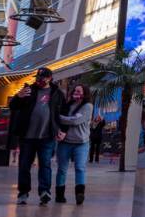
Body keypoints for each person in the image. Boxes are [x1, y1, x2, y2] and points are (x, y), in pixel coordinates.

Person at [9, 67, 63, 205]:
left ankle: (45, 192)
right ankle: (23, 193)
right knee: (24, 165)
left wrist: (61, 129)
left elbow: (61, 113)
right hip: (27, 137)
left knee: (45, 164)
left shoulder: (57, 93)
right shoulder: (29, 90)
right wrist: (18, 97)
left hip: (47, 137)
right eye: (38, 77)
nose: (40, 80)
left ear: (50, 78)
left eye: (43, 78)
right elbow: (13, 106)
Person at [55, 84, 93, 204]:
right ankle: (59, 195)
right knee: (62, 169)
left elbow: (76, 120)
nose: (76, 92)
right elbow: (67, 119)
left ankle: (79, 194)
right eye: (75, 90)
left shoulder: (88, 106)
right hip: (65, 142)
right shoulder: (67, 105)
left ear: (84, 93)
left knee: (80, 168)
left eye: (79, 91)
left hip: (81, 143)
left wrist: (59, 117)